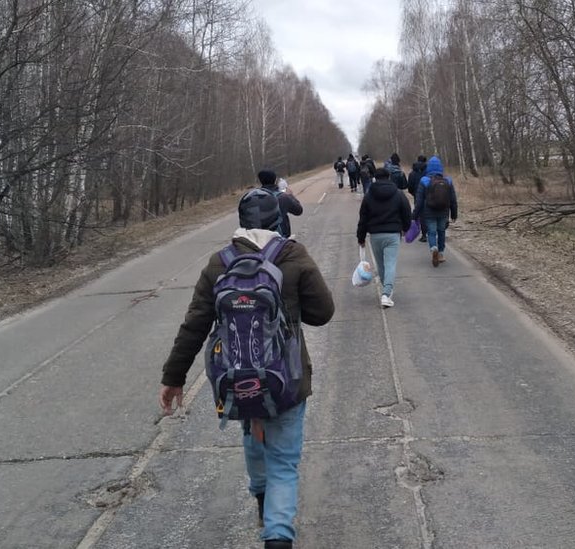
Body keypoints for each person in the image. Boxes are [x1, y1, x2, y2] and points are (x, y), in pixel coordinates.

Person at [159, 188, 335, 549]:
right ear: (279, 220)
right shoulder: (293, 254)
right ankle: (277, 535)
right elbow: (323, 313)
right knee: (283, 463)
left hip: (237, 380)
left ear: (240, 223)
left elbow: (195, 324)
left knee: (254, 438)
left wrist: (173, 378)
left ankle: (260, 499)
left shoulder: (219, 262)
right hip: (287, 380)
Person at [357, 167, 411, 307]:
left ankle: (386, 290)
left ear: (374, 177)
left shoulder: (369, 195)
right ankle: (387, 293)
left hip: (375, 235)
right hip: (393, 234)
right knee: (390, 264)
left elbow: (363, 218)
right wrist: (406, 228)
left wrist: (361, 237)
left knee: (381, 265)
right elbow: (406, 211)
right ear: (389, 177)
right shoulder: (398, 194)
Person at [412, 155, 457, 267]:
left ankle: (433, 248)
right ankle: (441, 253)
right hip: (443, 211)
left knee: (431, 232)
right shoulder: (448, 181)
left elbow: (419, 201)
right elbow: (453, 199)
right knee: (441, 231)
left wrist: (414, 215)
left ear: (428, 168)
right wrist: (454, 213)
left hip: (429, 212)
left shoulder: (424, 181)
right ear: (440, 167)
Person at [258, 169, 303, 239]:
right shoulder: (282, 197)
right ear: (275, 181)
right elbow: (299, 210)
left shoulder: (256, 197)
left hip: (260, 238)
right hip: (280, 239)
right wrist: (290, 195)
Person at [407, 155, 429, 242]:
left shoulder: (412, 173)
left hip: (417, 195)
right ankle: (431, 231)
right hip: (429, 195)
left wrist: (415, 194)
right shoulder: (428, 172)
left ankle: (423, 234)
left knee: (421, 214)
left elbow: (410, 187)